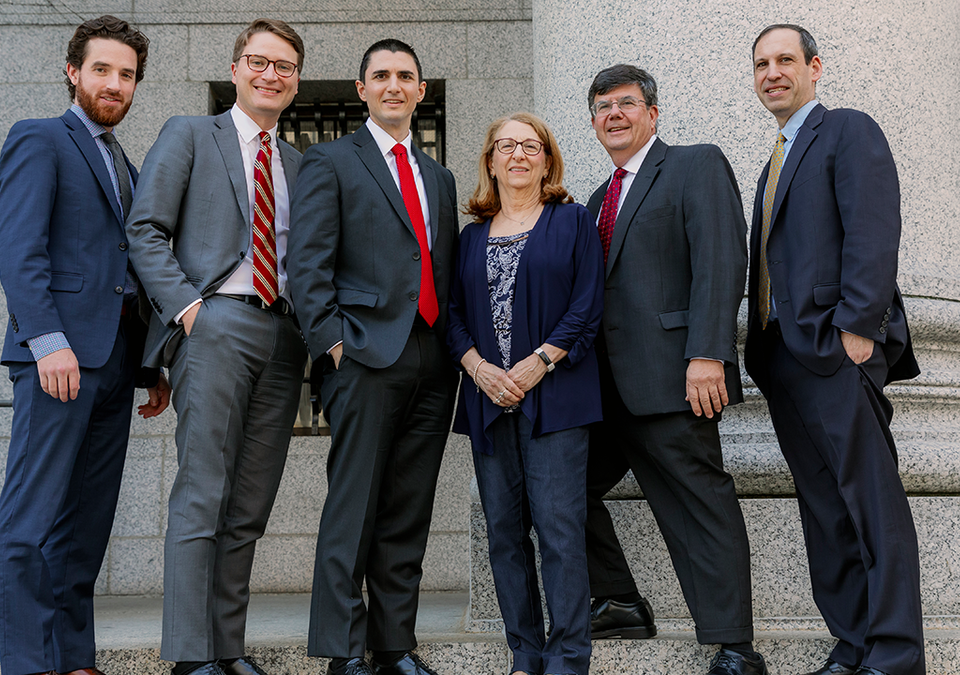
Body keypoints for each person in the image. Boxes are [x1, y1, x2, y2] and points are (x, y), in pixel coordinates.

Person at [125, 18, 309, 675]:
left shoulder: (299, 163)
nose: (270, 74)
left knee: (249, 502)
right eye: (259, 62)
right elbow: (145, 229)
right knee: (203, 491)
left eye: (284, 66)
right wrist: (190, 310)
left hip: (284, 336)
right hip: (215, 322)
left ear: (295, 81)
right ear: (235, 70)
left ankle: (226, 648)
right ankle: (189, 654)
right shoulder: (190, 134)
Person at [0, 15, 170, 675]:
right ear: (73, 70)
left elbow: (131, 266)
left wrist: (151, 365)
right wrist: (46, 340)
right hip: (56, 360)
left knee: (85, 524)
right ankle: (29, 662)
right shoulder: (39, 139)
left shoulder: (124, 163)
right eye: (102, 69)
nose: (114, 83)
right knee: (30, 520)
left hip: (115, 364)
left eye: (126, 74)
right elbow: (19, 249)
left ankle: (74, 657)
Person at [746, 25, 924, 675]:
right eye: (761, 63)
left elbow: (874, 228)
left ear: (814, 67)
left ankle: (896, 653)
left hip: (835, 348)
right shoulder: (774, 158)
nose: (772, 72)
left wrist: (857, 326)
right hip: (784, 360)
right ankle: (853, 644)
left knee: (870, 504)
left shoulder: (847, 130)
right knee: (826, 510)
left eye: (785, 60)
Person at [581, 64, 766, 675]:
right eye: (603, 106)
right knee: (556, 490)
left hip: (672, 376)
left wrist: (708, 353)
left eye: (626, 104)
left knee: (698, 503)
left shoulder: (694, 165)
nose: (614, 114)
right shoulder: (597, 198)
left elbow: (721, 259)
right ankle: (618, 602)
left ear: (652, 114)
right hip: (603, 390)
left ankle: (733, 644)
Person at [288, 38, 459, 675]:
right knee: (353, 505)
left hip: (432, 360)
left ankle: (394, 646)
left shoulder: (437, 176)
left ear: (420, 91)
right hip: (361, 353)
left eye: (405, 76)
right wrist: (332, 343)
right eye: (380, 76)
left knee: (408, 508)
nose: (393, 85)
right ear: (362, 89)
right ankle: (341, 649)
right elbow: (306, 265)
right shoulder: (329, 161)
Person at [448, 113, 603, 675]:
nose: (517, 155)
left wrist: (540, 361)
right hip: (489, 401)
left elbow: (587, 303)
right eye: (505, 146)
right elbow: (453, 316)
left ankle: (567, 658)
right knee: (504, 533)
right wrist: (478, 368)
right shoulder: (470, 237)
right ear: (490, 160)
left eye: (530, 146)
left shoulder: (573, 221)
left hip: (556, 400)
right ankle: (526, 654)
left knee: (559, 531)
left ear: (547, 159)